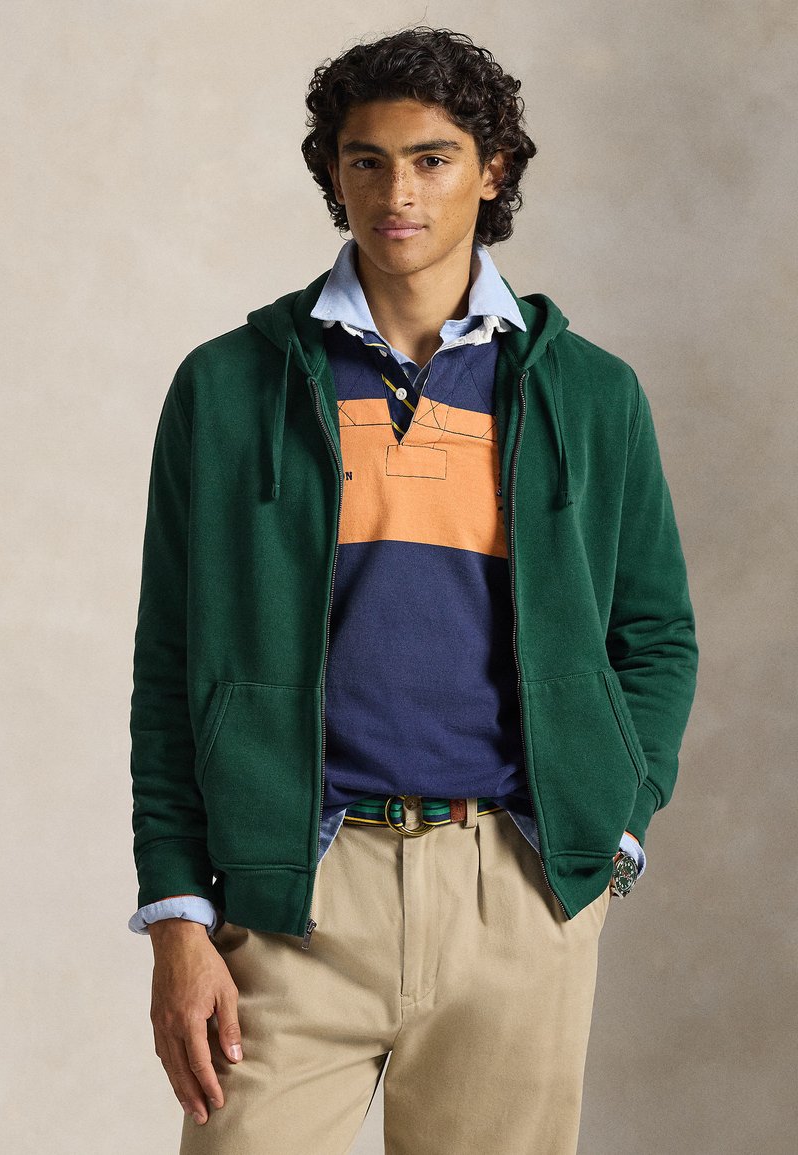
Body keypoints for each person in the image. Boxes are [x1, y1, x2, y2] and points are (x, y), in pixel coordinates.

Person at [128, 26, 698, 1155]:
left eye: (432, 159)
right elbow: (169, 665)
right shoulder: (228, 386)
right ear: (334, 173)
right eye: (367, 160)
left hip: (514, 890)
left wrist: (615, 825)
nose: (397, 193)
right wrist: (179, 916)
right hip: (291, 893)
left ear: (493, 170)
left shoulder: (589, 394)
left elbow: (655, 635)